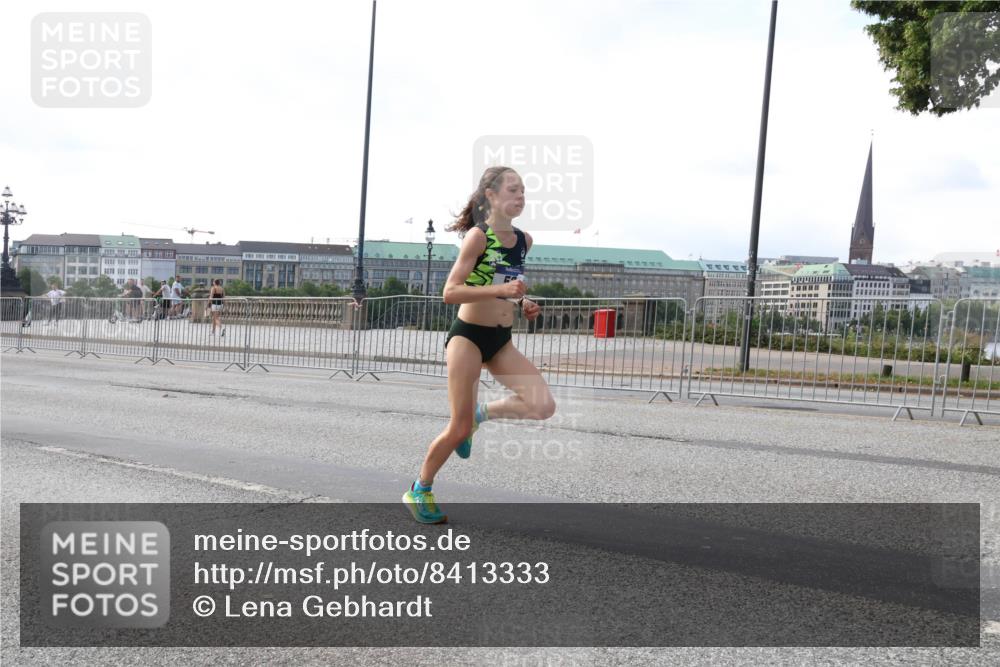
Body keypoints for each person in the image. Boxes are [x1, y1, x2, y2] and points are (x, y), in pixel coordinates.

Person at [402, 166, 554, 524]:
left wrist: (522, 303)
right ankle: (419, 488)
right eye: (513, 190)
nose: (521, 197)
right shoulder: (478, 237)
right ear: (491, 196)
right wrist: (502, 291)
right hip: (468, 338)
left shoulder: (524, 241)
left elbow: (508, 284)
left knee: (543, 405)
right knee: (457, 425)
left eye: (523, 192)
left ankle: (481, 417)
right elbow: (450, 292)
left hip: (500, 340)